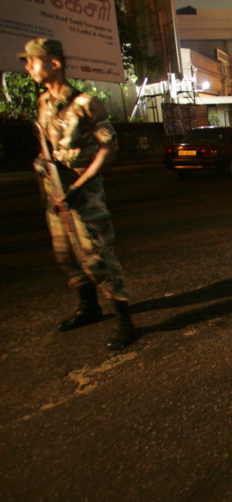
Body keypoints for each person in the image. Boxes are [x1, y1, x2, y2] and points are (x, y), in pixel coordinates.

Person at [19, 38, 135, 350]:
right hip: (55, 194)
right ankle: (89, 307)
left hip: (83, 194)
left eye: (33, 61)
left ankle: (124, 321)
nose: (28, 67)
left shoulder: (85, 104)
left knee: (98, 258)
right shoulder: (44, 102)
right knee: (65, 256)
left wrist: (79, 185)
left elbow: (109, 148)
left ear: (54, 63)